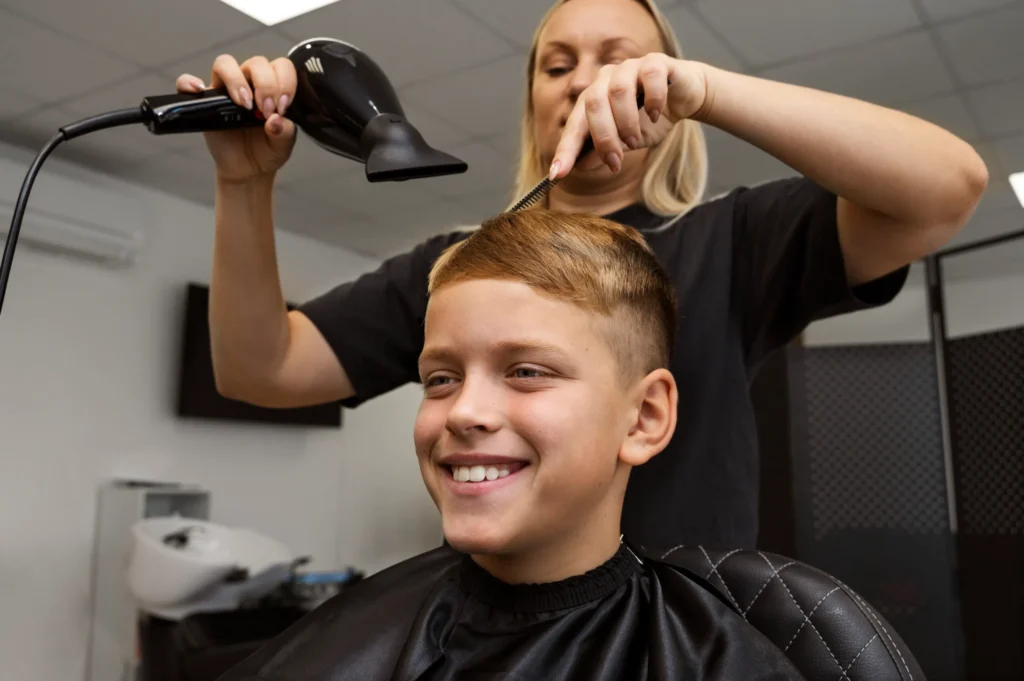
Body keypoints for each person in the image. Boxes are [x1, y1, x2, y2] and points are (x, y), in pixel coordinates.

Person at [174, 0, 989, 552]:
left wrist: (706, 89)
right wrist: (244, 184)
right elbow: (260, 368)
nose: (581, 81)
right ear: (533, 99)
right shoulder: (462, 269)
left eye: (618, 59)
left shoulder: (733, 240)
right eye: (555, 64)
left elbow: (945, 187)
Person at [218, 209, 806, 681]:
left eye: (526, 371)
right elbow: (261, 366)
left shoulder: (712, 658)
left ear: (643, 419)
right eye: (440, 380)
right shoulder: (351, 640)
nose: (465, 412)